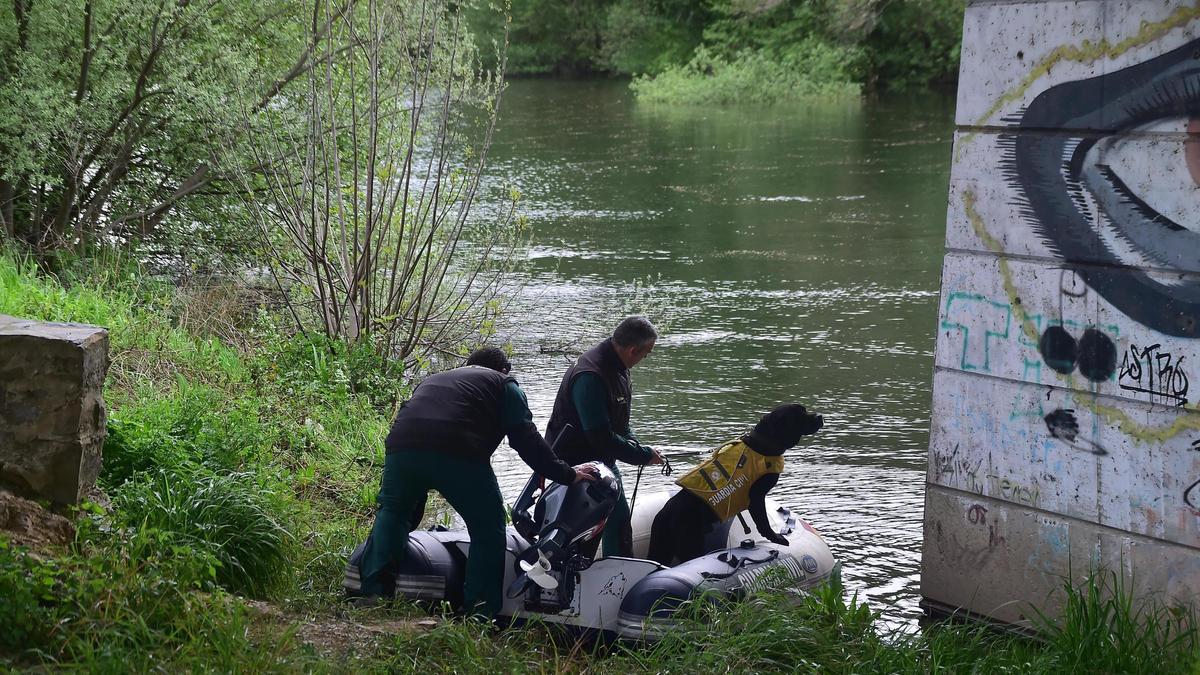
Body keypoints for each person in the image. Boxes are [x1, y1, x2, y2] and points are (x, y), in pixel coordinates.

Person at [351, 347, 594, 618]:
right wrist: (567, 474)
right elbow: (526, 440)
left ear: (469, 365)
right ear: (503, 370)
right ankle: (479, 612)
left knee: (394, 514)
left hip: (402, 446)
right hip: (457, 450)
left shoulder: (435, 378)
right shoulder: (505, 385)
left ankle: (371, 593)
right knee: (487, 528)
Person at [646, 404, 824, 566]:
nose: (812, 417)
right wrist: (769, 533)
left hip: (668, 514)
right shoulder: (765, 464)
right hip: (689, 523)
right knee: (690, 578)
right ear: (787, 430)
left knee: (655, 568)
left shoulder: (741, 449)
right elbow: (755, 501)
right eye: (802, 419)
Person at [545, 316, 663, 557]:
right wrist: (641, 456)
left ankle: (618, 572)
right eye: (646, 353)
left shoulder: (619, 367)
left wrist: (639, 446)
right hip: (575, 464)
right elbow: (601, 437)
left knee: (619, 521)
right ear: (633, 350)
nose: (646, 358)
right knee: (587, 527)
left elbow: (620, 425)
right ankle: (574, 576)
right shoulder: (592, 376)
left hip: (601, 460)